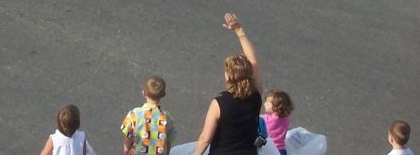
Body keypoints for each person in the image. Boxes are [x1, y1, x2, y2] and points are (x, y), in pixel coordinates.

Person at [190, 12, 262, 155]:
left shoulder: (219, 104)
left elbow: (205, 139)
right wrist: (239, 31)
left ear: (228, 76)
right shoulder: (256, 95)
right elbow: (253, 61)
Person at [120, 75, 174, 155]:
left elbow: (128, 137)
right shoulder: (167, 117)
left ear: (143, 93)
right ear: (163, 94)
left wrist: (126, 151)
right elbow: (168, 140)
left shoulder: (134, 114)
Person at [261, 90, 293, 155]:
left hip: (268, 149)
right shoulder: (287, 120)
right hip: (281, 150)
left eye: (267, 103)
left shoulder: (264, 119)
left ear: (276, 107)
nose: (264, 104)